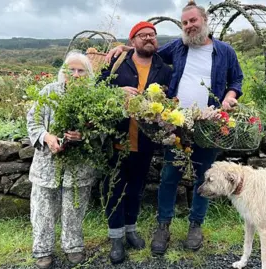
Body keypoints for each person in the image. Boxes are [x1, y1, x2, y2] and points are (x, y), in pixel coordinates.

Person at [106, 0, 243, 255]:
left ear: (204, 21)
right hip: (176, 126)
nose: (189, 26)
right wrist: (124, 47)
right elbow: (148, 52)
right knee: (169, 177)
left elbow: (237, 79)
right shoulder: (178, 48)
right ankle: (163, 226)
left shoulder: (225, 51)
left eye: (193, 20)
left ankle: (195, 226)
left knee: (206, 177)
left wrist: (229, 96)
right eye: (185, 23)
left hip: (209, 126)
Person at [99, 21, 172, 264]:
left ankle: (130, 230)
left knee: (136, 188)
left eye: (152, 35)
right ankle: (116, 238)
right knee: (114, 189)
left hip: (145, 141)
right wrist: (117, 94)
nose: (149, 38)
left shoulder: (164, 68)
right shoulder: (118, 62)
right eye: (143, 35)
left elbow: (170, 100)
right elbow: (98, 89)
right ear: (133, 41)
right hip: (116, 138)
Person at [27, 51, 96, 269]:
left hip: (79, 167)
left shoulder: (93, 98)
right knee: (43, 209)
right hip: (47, 165)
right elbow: (33, 121)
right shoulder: (48, 92)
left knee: (74, 208)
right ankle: (42, 250)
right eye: (71, 70)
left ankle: (73, 247)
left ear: (88, 74)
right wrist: (46, 137)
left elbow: (105, 132)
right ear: (63, 72)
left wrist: (84, 136)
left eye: (80, 70)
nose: (75, 75)